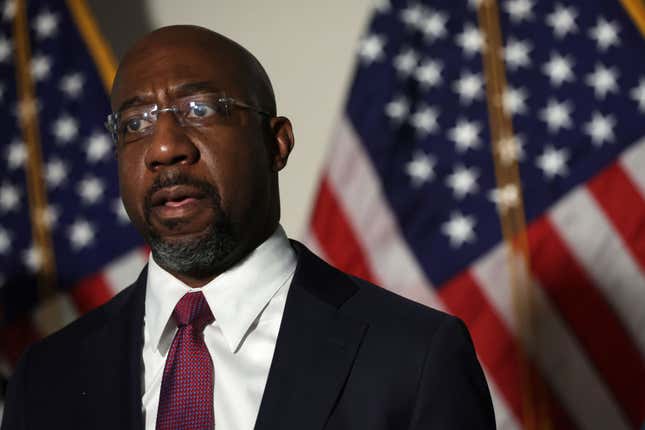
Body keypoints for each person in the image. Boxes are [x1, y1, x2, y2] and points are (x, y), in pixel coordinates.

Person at [1, 25, 495, 429]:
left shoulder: (415, 356)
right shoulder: (46, 377)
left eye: (200, 109)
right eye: (135, 123)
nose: (164, 147)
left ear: (276, 143)